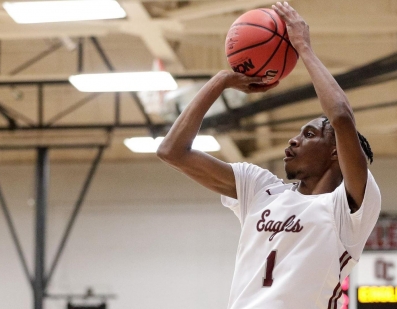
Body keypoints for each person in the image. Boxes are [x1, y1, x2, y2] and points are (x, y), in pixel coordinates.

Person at [157, 2, 381, 308]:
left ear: (335, 152)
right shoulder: (260, 187)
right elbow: (172, 151)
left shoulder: (347, 208)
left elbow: (341, 116)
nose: (293, 139)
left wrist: (303, 48)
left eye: (309, 134)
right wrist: (221, 81)